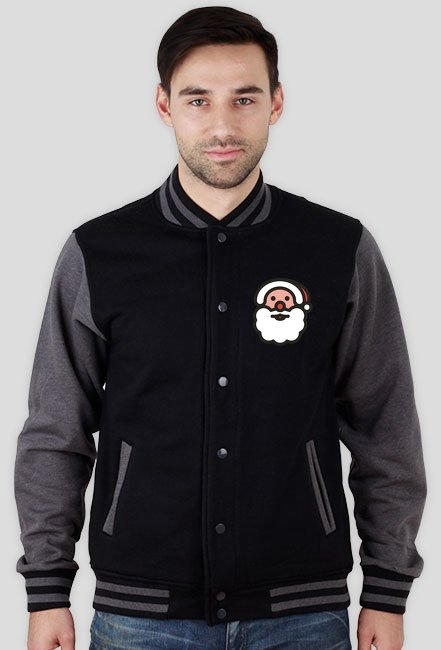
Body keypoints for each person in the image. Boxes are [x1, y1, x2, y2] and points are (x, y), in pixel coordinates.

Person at [14, 6, 427, 650]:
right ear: (164, 105)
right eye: (198, 99)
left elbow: (385, 425)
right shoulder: (98, 253)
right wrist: (47, 590)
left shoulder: (338, 248)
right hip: (140, 616)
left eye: (245, 98)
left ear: (277, 103)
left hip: (303, 613)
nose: (223, 125)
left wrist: (387, 588)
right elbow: (55, 431)